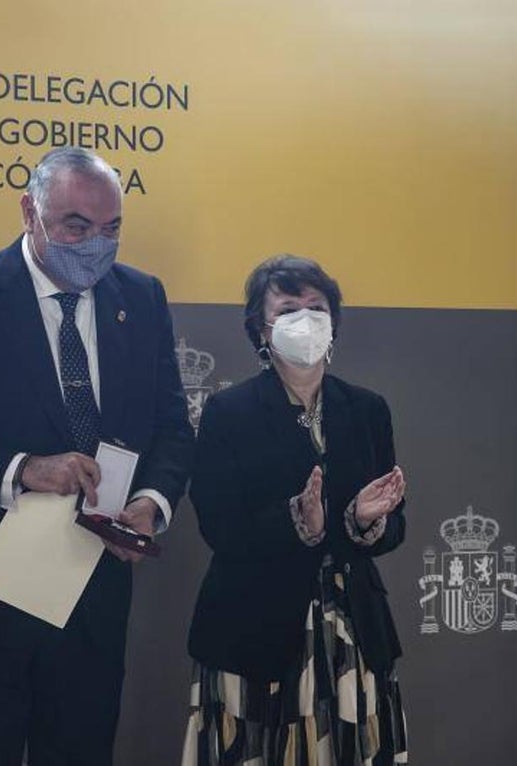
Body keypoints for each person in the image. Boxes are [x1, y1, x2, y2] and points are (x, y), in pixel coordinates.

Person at [0, 147, 194, 765]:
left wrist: (150, 503)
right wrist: (24, 470)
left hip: (93, 584)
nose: (96, 243)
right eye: (76, 226)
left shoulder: (141, 297)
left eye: (112, 227)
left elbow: (172, 427)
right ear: (28, 213)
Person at [183, 255, 408, 765]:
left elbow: (395, 523)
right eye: (287, 309)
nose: (305, 320)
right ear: (260, 330)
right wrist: (297, 523)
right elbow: (220, 525)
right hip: (253, 632)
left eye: (316, 307)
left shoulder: (367, 409)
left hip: (351, 635)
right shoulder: (229, 412)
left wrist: (366, 522)